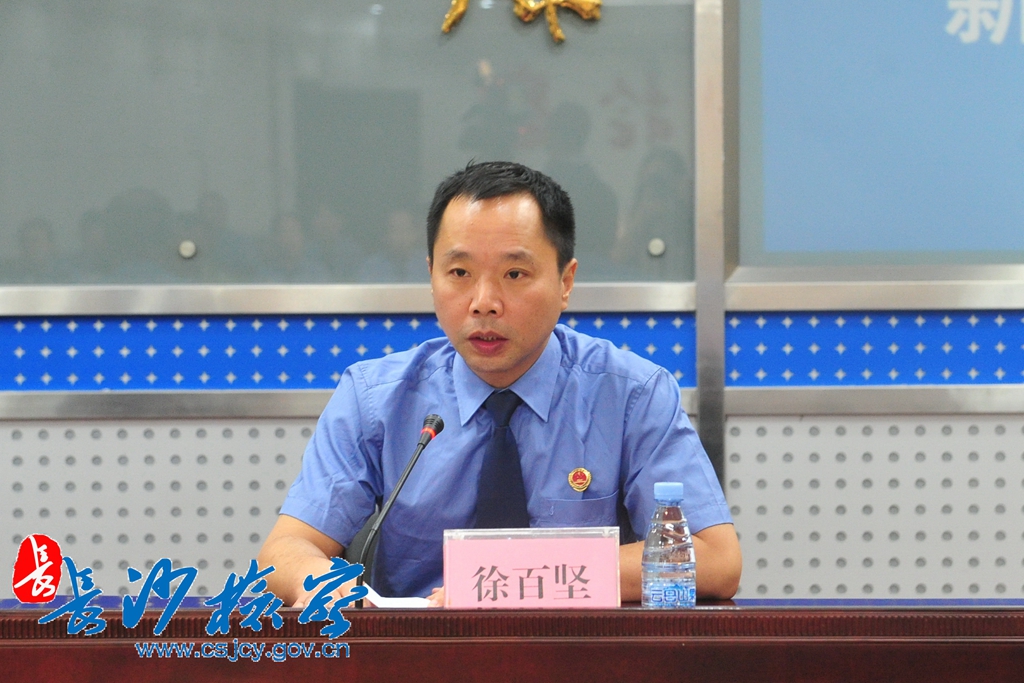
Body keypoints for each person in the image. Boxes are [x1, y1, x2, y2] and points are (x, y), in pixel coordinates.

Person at [259, 162, 741, 606]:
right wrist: (321, 581)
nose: (484, 302)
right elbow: (285, 550)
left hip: (577, 655)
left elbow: (714, 560)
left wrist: (511, 580)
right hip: (422, 653)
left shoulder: (631, 395)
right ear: (431, 276)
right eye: (459, 273)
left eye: (514, 273)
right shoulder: (375, 399)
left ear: (565, 282)